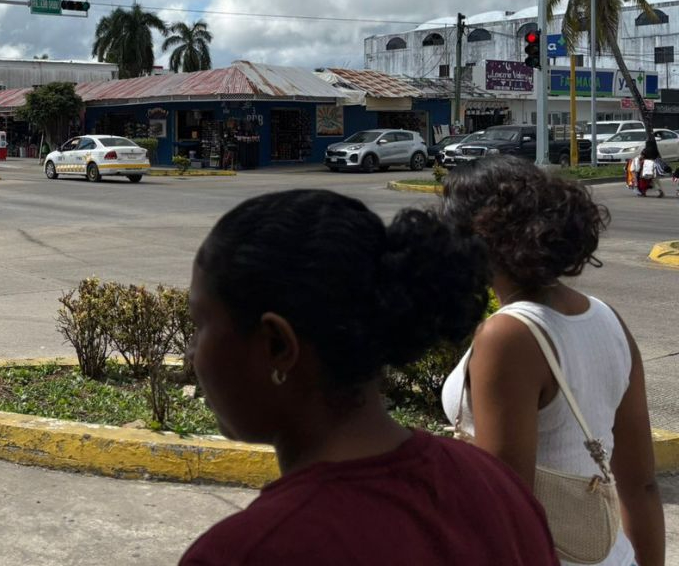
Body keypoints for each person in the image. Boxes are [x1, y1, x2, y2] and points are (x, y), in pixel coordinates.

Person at [180, 189, 558, 566]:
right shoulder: (495, 486)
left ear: (278, 345)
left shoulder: (248, 552)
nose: (191, 353)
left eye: (199, 326)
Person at [441, 156, 664, 566]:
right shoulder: (606, 318)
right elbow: (642, 485)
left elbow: (507, 516)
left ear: (474, 237)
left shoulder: (508, 336)